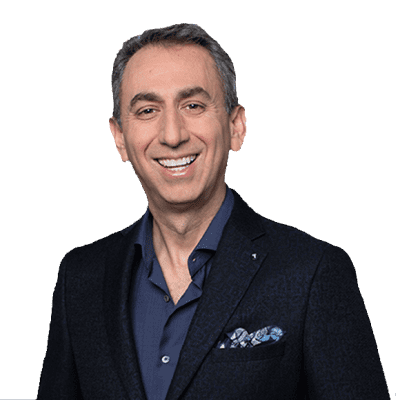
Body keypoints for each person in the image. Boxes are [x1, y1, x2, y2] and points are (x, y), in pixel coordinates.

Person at [37, 23, 390, 399]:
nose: (172, 135)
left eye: (193, 106)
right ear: (120, 137)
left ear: (236, 126)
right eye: (147, 110)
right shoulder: (81, 278)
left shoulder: (312, 272)